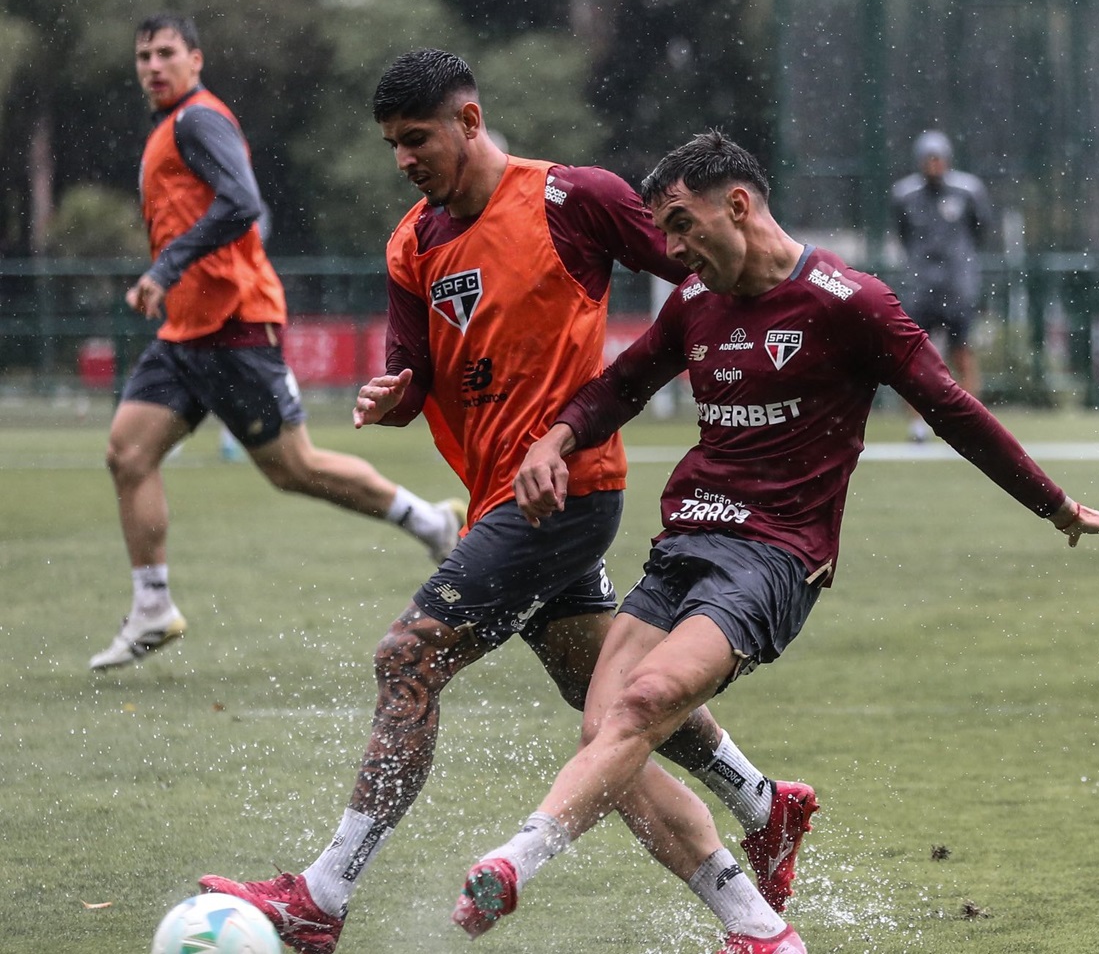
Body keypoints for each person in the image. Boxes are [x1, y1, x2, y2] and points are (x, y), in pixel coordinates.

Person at [457, 130, 1099, 954]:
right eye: (662, 232)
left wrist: (1056, 506)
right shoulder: (694, 302)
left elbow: (953, 410)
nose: (671, 250)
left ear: (738, 204)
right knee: (604, 737)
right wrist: (556, 439)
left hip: (775, 556)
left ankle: (512, 863)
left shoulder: (848, 303)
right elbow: (621, 386)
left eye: (681, 225)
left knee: (639, 708)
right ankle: (760, 926)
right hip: (683, 546)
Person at [198, 52, 817, 954]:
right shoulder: (412, 243)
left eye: (417, 138)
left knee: (408, 657)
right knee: (608, 717)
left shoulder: (572, 199)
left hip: (566, 497)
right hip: (497, 497)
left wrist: (760, 362)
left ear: (470, 121)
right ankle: (760, 837)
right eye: (393, 144)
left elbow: (705, 270)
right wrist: (393, 394)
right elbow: (414, 375)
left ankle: (321, 897)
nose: (404, 159)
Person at [89, 15, 465, 673]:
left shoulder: (197, 121)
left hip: (233, 325)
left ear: (195, 59)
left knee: (294, 467)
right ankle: (152, 606)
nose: (153, 65)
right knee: (128, 453)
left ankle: (429, 522)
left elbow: (242, 202)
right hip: (185, 331)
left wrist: (167, 268)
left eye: (166, 53)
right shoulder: (170, 128)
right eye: (143, 55)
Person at [890, 130, 993, 442]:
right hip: (921, 287)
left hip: (957, 287)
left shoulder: (968, 191)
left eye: (938, 158)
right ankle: (917, 426)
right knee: (915, 358)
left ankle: (971, 425)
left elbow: (980, 230)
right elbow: (903, 234)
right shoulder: (904, 194)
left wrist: (960, 266)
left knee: (963, 353)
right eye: (928, 159)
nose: (934, 164)